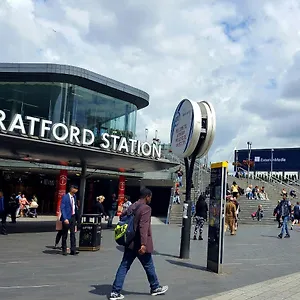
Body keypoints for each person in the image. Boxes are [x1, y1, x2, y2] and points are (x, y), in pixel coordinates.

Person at [110, 188, 168, 300]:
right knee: (149, 265)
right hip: (139, 243)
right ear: (147, 196)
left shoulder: (133, 205)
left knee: (124, 266)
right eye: (150, 197)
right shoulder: (146, 208)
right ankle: (155, 287)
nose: (151, 199)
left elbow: (122, 216)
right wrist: (143, 244)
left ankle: (115, 291)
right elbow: (143, 227)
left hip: (130, 242)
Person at [60, 184, 79, 256]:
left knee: (73, 233)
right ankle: (64, 249)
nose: (76, 190)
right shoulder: (65, 197)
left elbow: (74, 207)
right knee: (64, 234)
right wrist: (65, 218)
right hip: (67, 217)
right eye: (75, 188)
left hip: (73, 217)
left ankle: (73, 250)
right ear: (71, 189)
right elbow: (63, 208)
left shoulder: (74, 197)